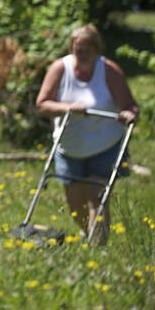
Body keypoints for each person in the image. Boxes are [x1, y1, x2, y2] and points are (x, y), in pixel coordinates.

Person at [36, 24, 139, 244]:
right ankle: (87, 235)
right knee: (75, 204)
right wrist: (68, 108)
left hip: (104, 145)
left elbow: (130, 105)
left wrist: (129, 114)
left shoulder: (109, 70)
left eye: (86, 49)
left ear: (96, 49)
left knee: (97, 198)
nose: (81, 53)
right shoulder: (59, 69)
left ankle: (98, 249)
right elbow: (42, 104)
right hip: (69, 147)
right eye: (77, 49)